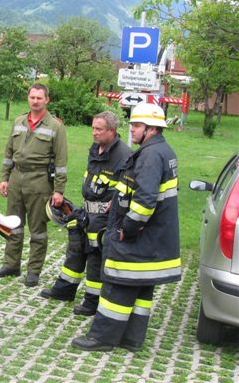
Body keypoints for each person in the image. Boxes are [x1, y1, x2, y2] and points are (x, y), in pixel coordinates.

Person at [72, 103, 180, 352]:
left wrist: (127, 227)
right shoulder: (162, 151)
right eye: (131, 124)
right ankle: (131, 339)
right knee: (141, 287)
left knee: (117, 284)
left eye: (137, 125)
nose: (131, 129)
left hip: (136, 237)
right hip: (153, 237)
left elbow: (145, 201)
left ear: (152, 129)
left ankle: (102, 338)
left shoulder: (151, 155)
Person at [40, 111, 131, 315]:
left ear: (112, 131)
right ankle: (65, 289)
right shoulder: (95, 149)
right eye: (93, 128)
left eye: (99, 129)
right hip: (87, 212)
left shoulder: (124, 155)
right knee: (76, 249)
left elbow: (126, 189)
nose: (94, 133)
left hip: (104, 218)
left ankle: (92, 301)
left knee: (95, 257)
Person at [0, 83, 68, 287]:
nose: (35, 101)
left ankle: (33, 271)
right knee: (12, 225)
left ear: (47, 100)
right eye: (32, 97)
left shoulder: (55, 126)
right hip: (16, 178)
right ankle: (11, 264)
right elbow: (8, 153)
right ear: (28, 98)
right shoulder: (18, 122)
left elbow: (61, 161)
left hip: (39, 181)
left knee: (38, 230)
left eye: (39, 98)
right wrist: (4, 178)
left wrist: (59, 190)